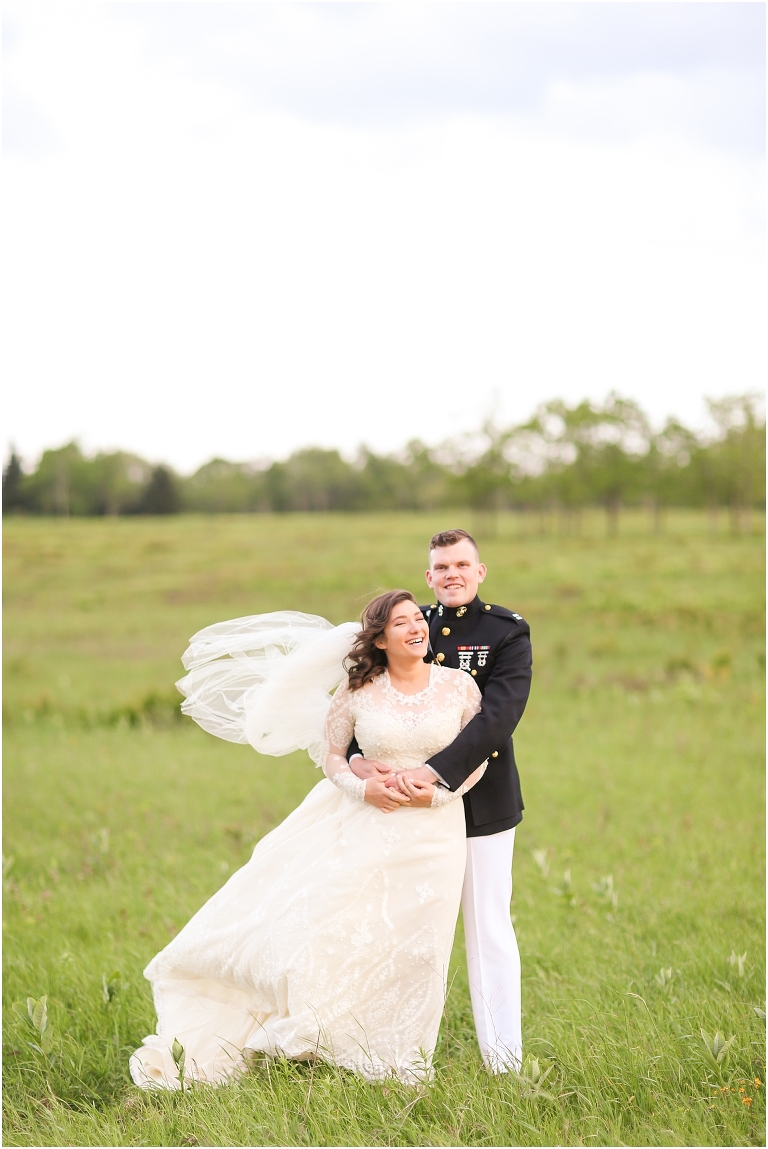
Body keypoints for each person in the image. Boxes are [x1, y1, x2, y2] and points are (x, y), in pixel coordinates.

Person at [130, 590, 488, 1089]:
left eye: (418, 619)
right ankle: (321, 1033)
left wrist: (438, 797)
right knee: (341, 928)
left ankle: (400, 1058)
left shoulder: (459, 686)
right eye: (402, 622)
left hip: (435, 833)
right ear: (381, 639)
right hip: (367, 825)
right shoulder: (360, 690)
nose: (416, 628)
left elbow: (478, 755)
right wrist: (361, 786)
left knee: (418, 949)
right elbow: (332, 754)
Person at [348, 529, 532, 1072]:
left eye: (461, 564)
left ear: (479, 572)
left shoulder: (507, 632)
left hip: (479, 807)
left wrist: (435, 773)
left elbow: (496, 718)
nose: (452, 574)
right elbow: (371, 700)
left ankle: (504, 1059)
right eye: (441, 567)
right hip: (403, 810)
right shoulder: (407, 625)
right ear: (428, 577)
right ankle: (380, 1050)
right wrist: (359, 760)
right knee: (394, 929)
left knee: (487, 929)